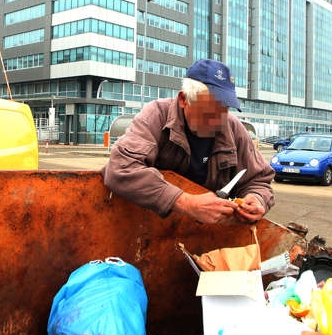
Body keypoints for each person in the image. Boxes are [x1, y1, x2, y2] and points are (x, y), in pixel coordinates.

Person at [102, 59, 274, 224]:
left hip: (203, 235)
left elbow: (258, 180)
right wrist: (185, 202)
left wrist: (257, 198)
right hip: (147, 227)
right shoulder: (156, 115)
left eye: (223, 111)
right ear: (183, 99)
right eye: (208, 112)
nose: (217, 121)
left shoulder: (233, 128)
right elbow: (122, 168)